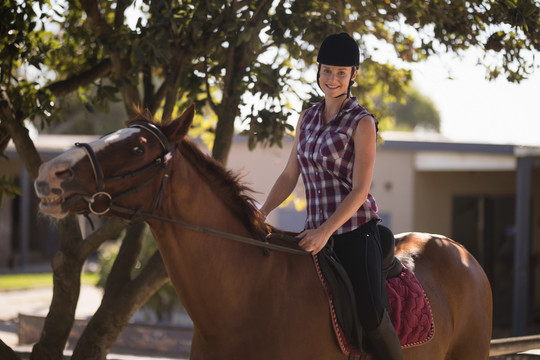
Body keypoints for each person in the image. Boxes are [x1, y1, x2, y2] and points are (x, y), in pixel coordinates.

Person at [260, 32, 402, 360]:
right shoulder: (306, 117)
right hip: (312, 234)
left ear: (354, 75)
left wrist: (326, 231)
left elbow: (360, 190)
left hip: (354, 233)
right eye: (327, 71)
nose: (333, 79)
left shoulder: (362, 122)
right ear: (318, 71)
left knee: (370, 313)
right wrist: (262, 210)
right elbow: (289, 175)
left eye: (341, 72)